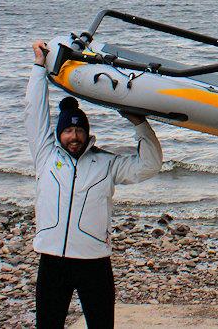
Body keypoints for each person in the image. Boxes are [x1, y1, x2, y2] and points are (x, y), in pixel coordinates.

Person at [25, 40, 164, 328]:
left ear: (87, 133)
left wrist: (139, 123)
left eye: (79, 130)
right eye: (68, 131)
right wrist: (39, 68)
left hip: (94, 261)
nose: (74, 136)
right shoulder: (45, 155)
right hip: (52, 260)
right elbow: (33, 113)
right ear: (58, 133)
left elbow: (149, 165)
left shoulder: (106, 163)